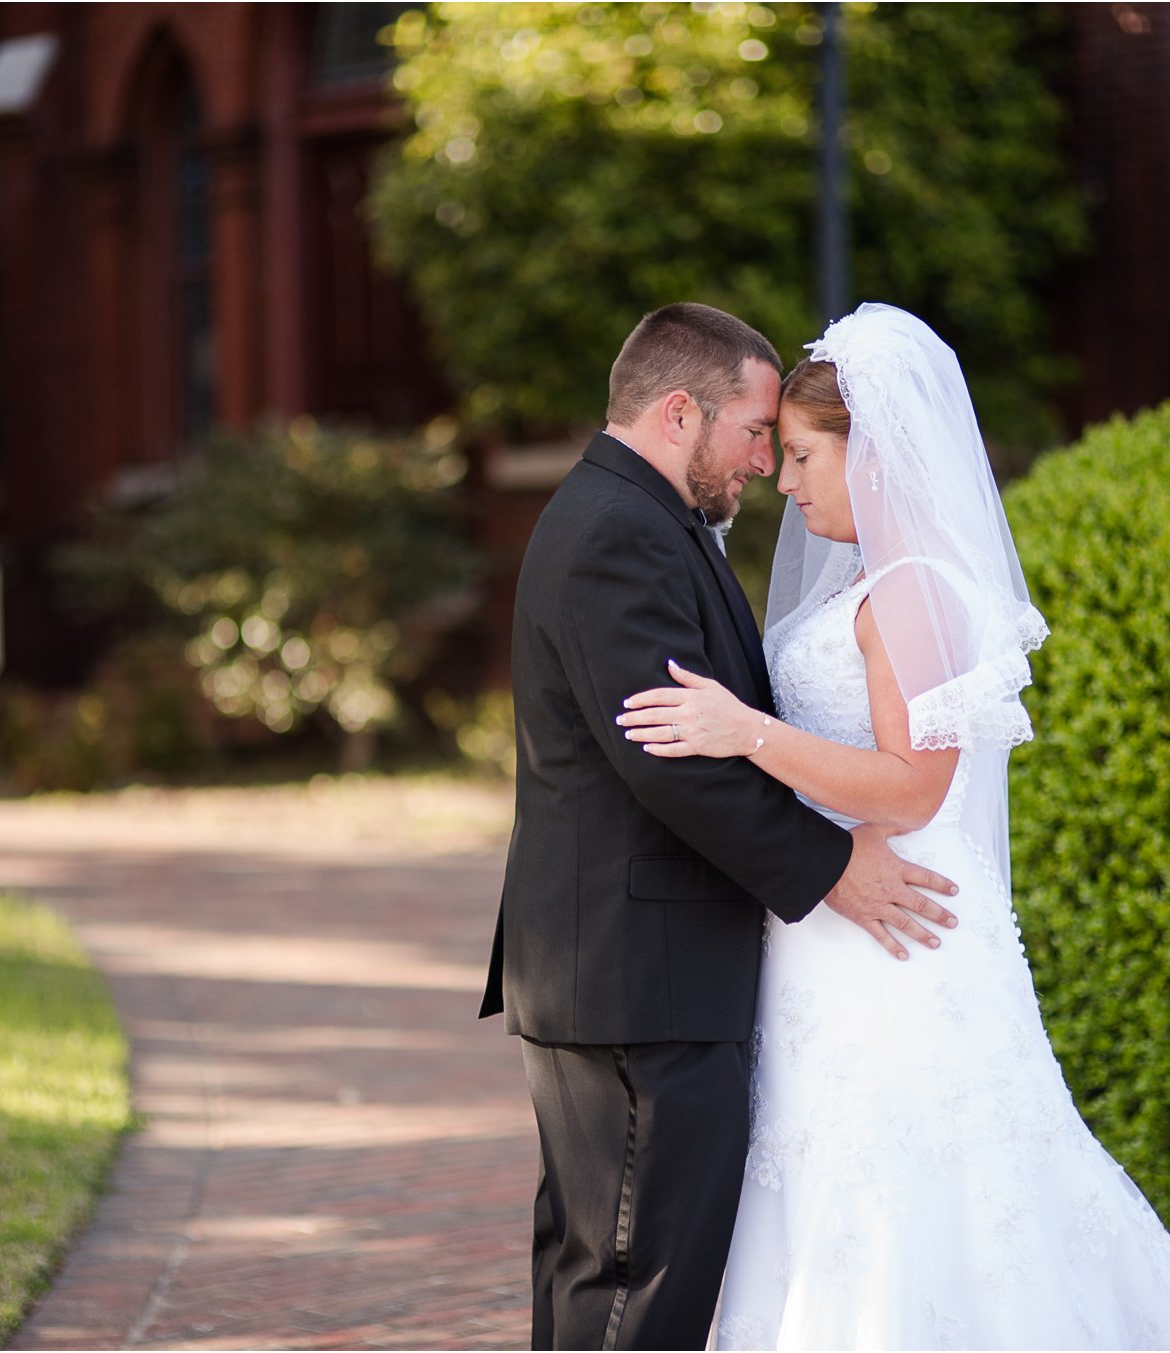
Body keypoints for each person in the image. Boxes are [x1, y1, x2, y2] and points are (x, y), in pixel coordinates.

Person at [618, 303, 1170, 1352]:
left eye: (805, 453)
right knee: (827, 1159)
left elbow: (911, 788)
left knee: (914, 1164)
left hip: (900, 926)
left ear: (874, 458)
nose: (783, 476)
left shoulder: (909, 593)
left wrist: (743, 732)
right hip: (834, 924)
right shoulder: (865, 587)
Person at [480, 302, 969, 1351]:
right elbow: (673, 764)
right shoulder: (617, 532)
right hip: (634, 974)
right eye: (754, 434)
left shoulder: (638, 518)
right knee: (633, 1277)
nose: (764, 464)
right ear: (674, 413)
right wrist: (832, 863)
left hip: (630, 966)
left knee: (601, 1266)